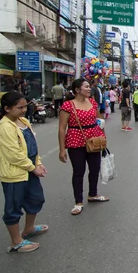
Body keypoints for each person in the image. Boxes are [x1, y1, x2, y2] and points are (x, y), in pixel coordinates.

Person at [0, 92, 47, 254]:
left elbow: (32, 146)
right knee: (13, 207)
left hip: (30, 170)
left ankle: (28, 229)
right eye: (20, 107)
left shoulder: (23, 122)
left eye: (25, 106)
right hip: (15, 174)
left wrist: (38, 163)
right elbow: (14, 154)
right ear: (7, 108)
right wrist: (33, 168)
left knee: (37, 199)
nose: (24, 110)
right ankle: (16, 241)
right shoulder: (4, 127)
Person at [58, 78, 109, 215]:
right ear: (77, 90)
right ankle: (78, 202)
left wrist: (103, 137)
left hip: (94, 140)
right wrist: (62, 149)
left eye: (89, 87)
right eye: (86, 87)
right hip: (75, 141)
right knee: (78, 171)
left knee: (95, 168)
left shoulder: (92, 102)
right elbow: (62, 128)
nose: (89, 89)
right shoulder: (68, 106)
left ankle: (93, 194)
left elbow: (100, 121)